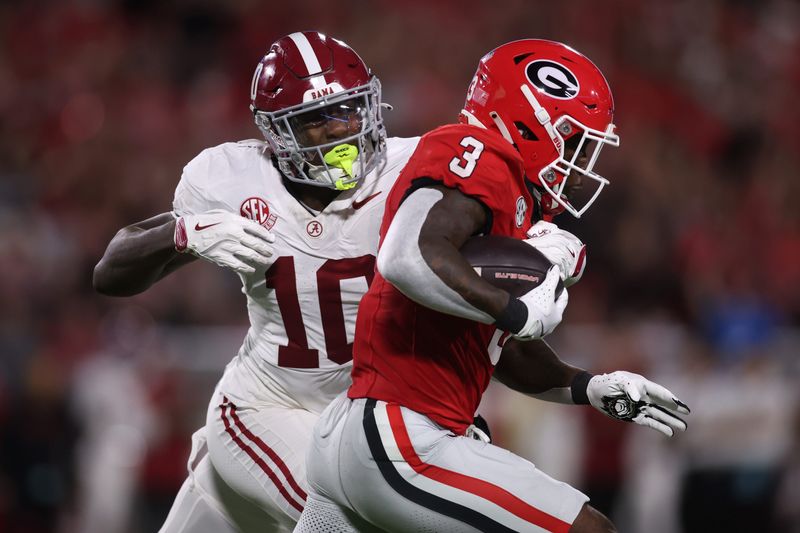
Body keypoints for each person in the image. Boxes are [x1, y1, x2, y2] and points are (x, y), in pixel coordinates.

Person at [293, 39, 691, 533]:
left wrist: (588, 387)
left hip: (367, 436)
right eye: (575, 141)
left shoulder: (508, 200)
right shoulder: (479, 152)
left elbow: (499, 349)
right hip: (399, 438)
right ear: (531, 123)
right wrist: (518, 311)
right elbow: (407, 255)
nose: (582, 162)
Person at [93, 31, 420, 533]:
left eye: (348, 110)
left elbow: (514, 207)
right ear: (276, 133)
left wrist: (549, 242)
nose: (339, 133)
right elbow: (111, 275)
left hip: (371, 424)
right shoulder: (234, 181)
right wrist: (183, 234)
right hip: (271, 407)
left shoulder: (417, 168)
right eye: (314, 121)